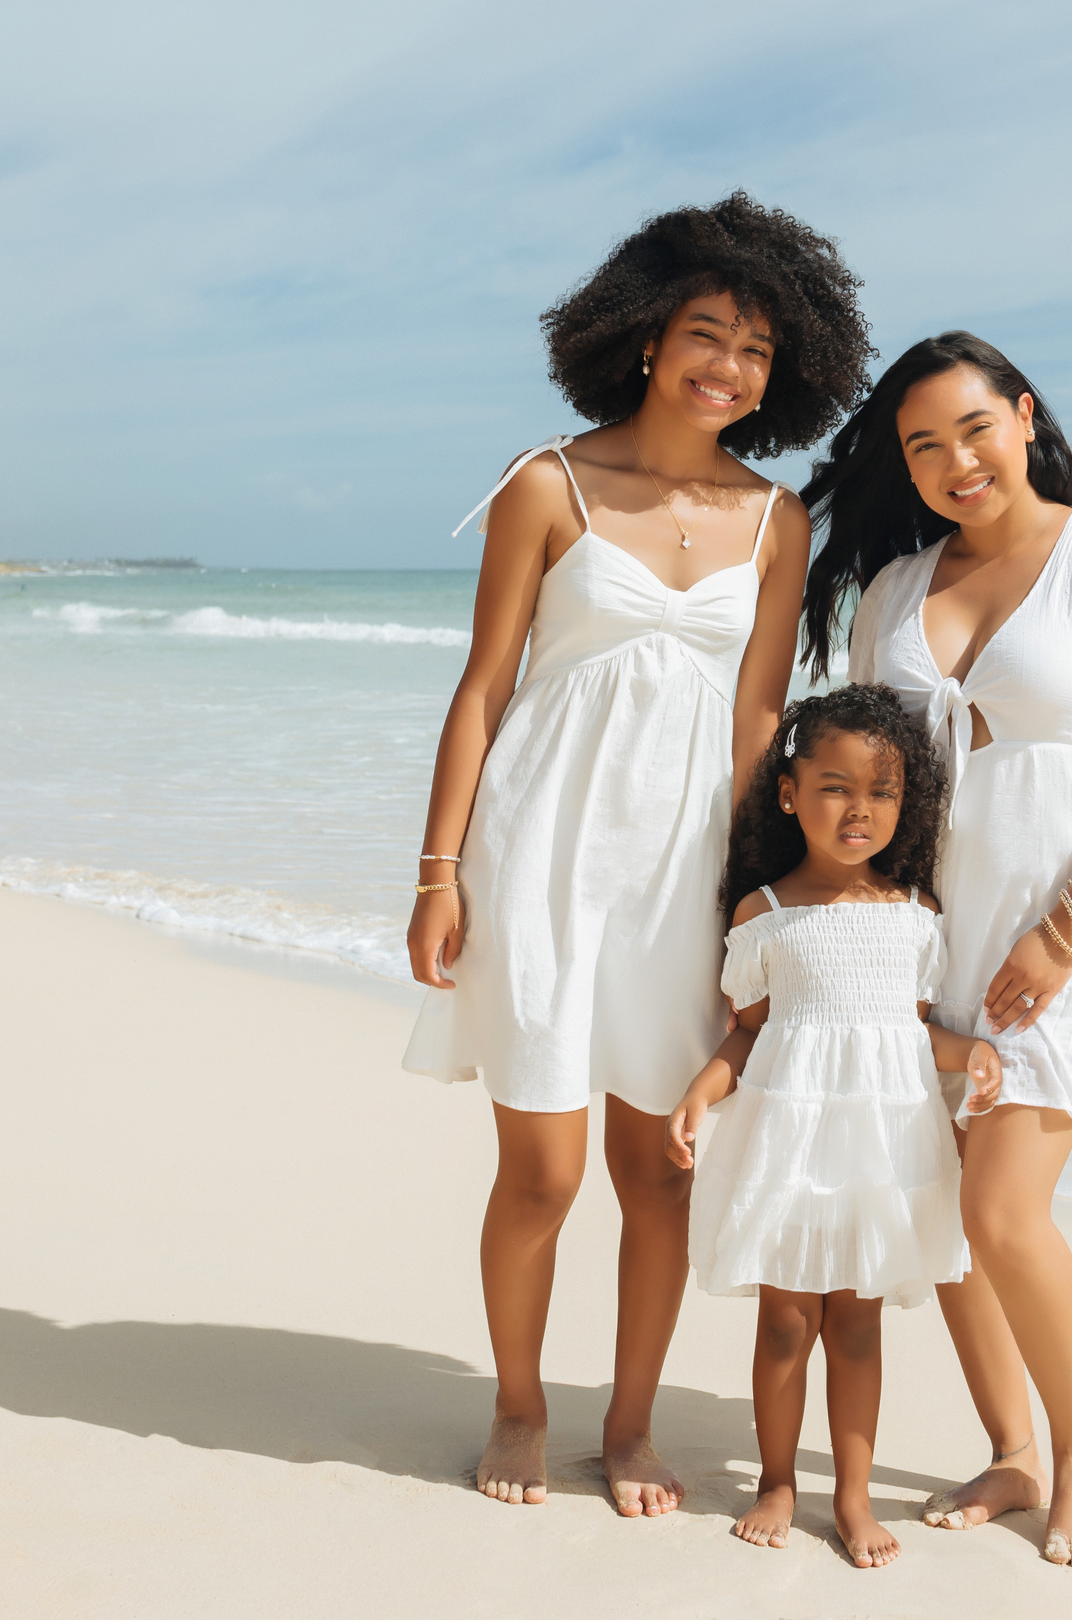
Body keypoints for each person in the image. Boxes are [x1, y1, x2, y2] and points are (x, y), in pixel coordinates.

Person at [400, 193, 871, 1515]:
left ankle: (627, 1422)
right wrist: (438, 870)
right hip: (542, 849)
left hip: (687, 871)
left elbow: (761, 718)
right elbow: (484, 686)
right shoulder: (546, 483)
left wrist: (756, 899)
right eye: (705, 332)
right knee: (542, 1166)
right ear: (647, 336)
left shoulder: (779, 523)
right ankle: (518, 1399)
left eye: (758, 350)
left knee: (659, 1160)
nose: (727, 365)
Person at [799, 331, 1072, 1569]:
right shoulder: (893, 595)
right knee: (950, 1217)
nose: (954, 460)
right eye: (922, 446)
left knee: (1000, 1208)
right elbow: (871, 787)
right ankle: (1013, 1450)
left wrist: (1062, 936)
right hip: (936, 952)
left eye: (974, 429)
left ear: (1022, 419)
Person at [665, 684, 1002, 1566]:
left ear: (907, 802)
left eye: (882, 791)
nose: (859, 809)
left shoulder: (917, 914)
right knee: (784, 1321)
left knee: (857, 1324)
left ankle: (851, 1498)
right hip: (788, 1148)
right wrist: (701, 1094)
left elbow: (913, 1029)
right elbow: (746, 1032)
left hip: (880, 1152)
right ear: (789, 791)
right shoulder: (764, 912)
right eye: (835, 786)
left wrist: (973, 1052)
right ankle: (778, 1478)